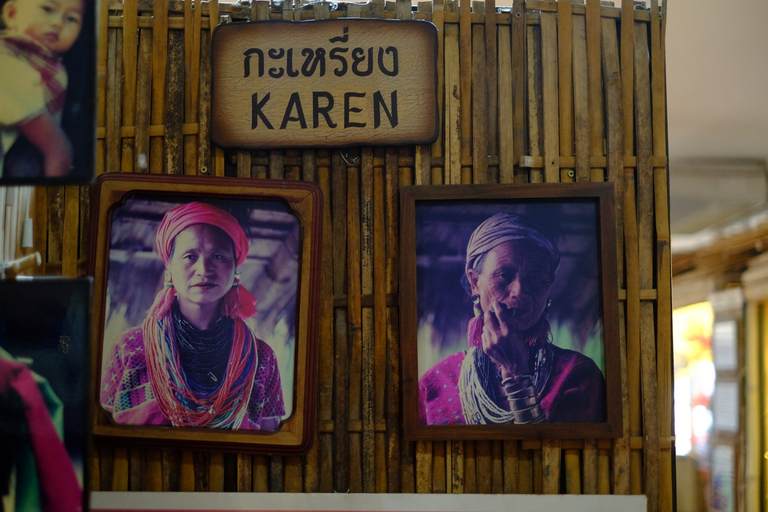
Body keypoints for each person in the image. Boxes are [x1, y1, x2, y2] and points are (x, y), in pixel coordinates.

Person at [100, 202, 286, 430]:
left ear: (235, 269)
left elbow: (271, 443)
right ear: (169, 267)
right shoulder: (130, 349)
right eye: (189, 256)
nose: (203, 269)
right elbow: (104, 432)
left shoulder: (261, 359)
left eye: (218, 256)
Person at [418, 212, 605, 425]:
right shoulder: (433, 383)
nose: (519, 291)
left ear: (548, 287)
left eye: (535, 278)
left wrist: (516, 374)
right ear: (475, 282)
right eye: (504, 275)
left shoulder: (578, 375)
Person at [0, 0, 84, 178]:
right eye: (47, 9)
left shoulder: (50, 65)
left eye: (71, 18)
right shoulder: (6, 61)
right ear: (12, 14)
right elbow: (57, 151)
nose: (58, 23)